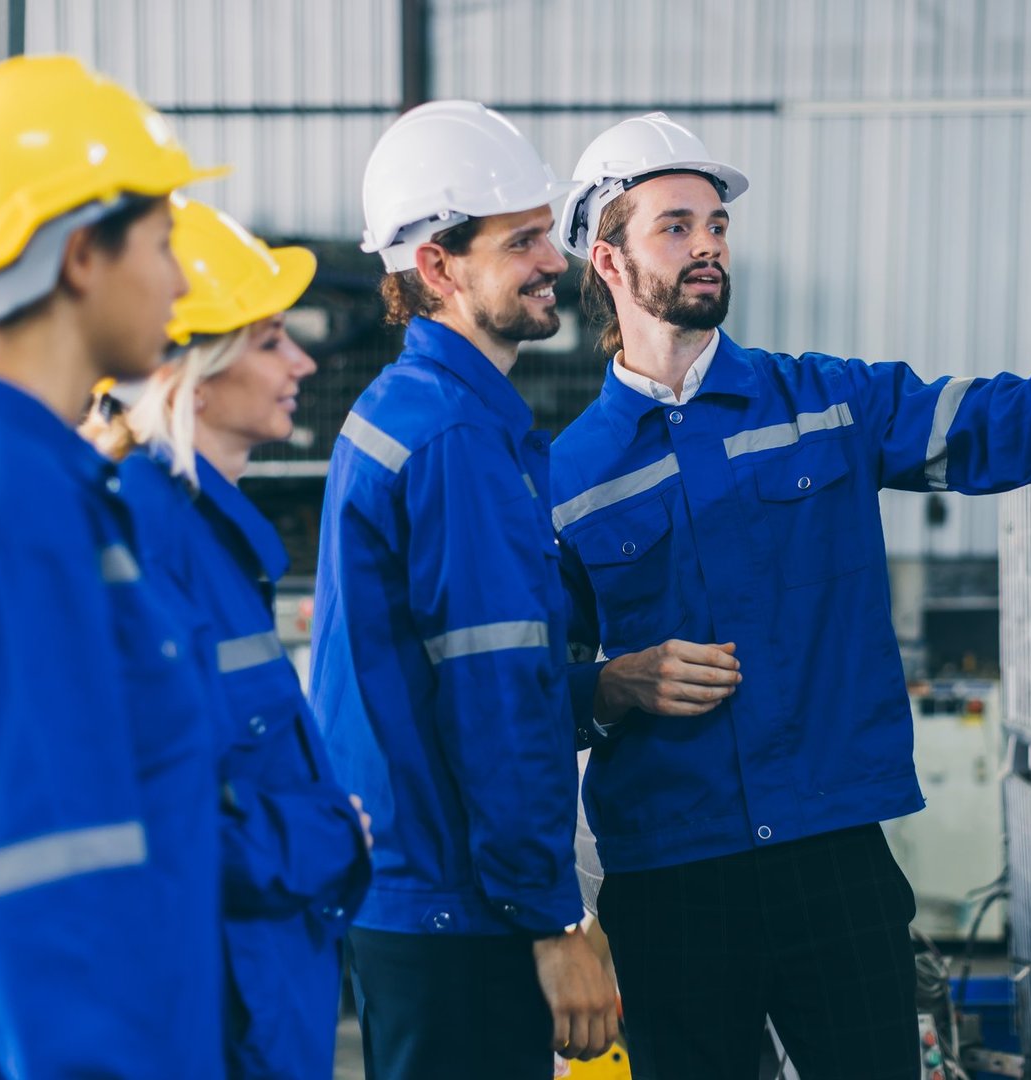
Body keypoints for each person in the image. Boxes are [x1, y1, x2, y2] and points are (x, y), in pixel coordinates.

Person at [551, 111, 1031, 1080]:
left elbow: (988, 427)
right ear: (610, 258)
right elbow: (537, 689)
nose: (709, 245)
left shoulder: (825, 404)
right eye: (676, 226)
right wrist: (613, 685)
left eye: (717, 224)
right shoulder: (564, 480)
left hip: (830, 859)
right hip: (672, 881)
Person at [0, 55, 226, 1076]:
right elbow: (22, 872)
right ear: (80, 257)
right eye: (162, 243)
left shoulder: (15, 472)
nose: (184, 280)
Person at [310, 100, 617, 1079]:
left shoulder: (408, 408)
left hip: (410, 889)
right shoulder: (457, 441)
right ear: (437, 268)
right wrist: (555, 916)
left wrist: (607, 689)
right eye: (522, 241)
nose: (555, 263)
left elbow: (435, 677)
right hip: (460, 903)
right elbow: (488, 706)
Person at [87, 196, 374, 1079]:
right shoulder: (143, 532)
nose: (304, 360)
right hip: (218, 994)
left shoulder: (202, 531)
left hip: (262, 977)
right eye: (270, 340)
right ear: (197, 374)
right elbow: (150, 803)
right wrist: (328, 838)